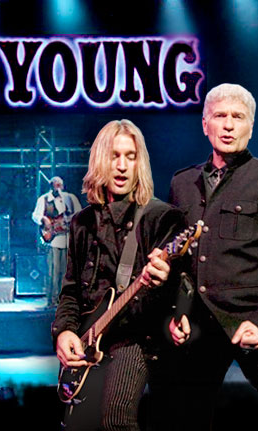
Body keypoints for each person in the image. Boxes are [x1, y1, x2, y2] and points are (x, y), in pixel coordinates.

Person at [166, 83, 258, 430]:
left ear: (251, 127)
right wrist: (177, 312)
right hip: (199, 323)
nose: (229, 125)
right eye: (220, 116)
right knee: (183, 417)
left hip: (255, 315)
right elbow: (177, 261)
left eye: (238, 117)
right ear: (205, 124)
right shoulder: (182, 183)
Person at [52, 119, 188, 430]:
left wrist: (164, 279)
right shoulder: (82, 223)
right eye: (114, 156)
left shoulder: (161, 217)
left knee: (116, 421)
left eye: (130, 156)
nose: (122, 166)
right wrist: (64, 332)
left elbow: (181, 291)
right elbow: (71, 291)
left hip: (137, 339)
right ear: (100, 160)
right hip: (90, 341)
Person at [31, 176, 82, 306]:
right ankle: (52, 300)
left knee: (66, 272)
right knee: (53, 272)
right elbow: (35, 215)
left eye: (60, 185)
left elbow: (79, 214)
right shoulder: (44, 199)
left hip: (67, 240)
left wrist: (70, 220)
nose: (58, 188)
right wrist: (43, 219)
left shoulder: (70, 198)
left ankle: (64, 300)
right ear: (51, 186)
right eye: (55, 186)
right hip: (53, 241)